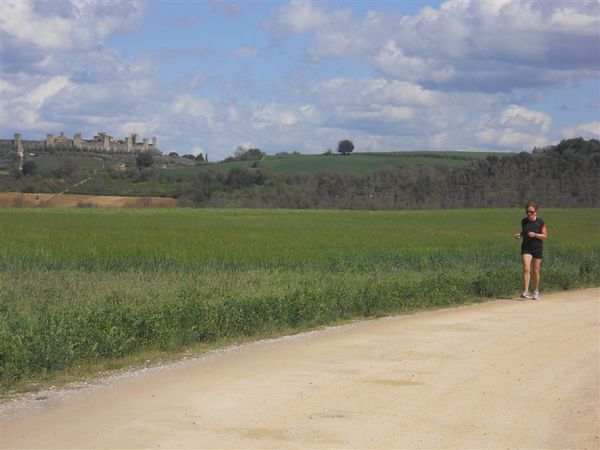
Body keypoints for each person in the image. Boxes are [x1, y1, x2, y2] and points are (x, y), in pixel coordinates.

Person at [514, 201, 547, 300]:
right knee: (526, 268)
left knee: (536, 271)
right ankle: (526, 291)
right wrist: (519, 235)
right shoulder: (524, 221)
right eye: (527, 211)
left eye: (531, 212)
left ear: (536, 212)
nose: (529, 213)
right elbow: (524, 232)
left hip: (537, 247)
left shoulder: (541, 222)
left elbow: (545, 235)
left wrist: (535, 235)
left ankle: (536, 290)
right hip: (526, 247)